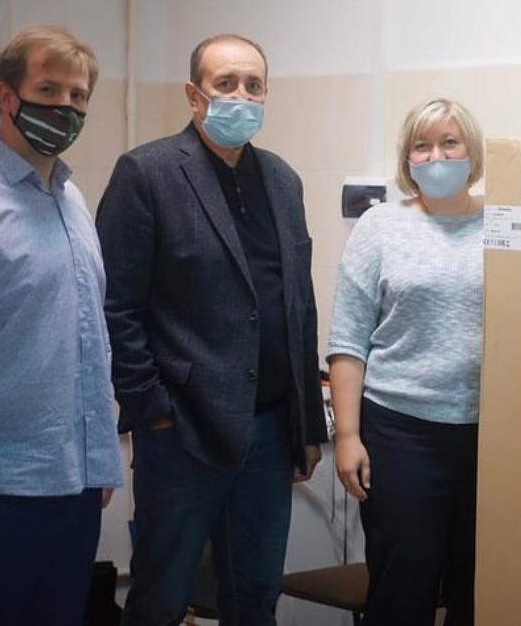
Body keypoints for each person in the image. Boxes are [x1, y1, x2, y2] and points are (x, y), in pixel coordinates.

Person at [96, 33, 327, 625]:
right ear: (193, 95)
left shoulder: (283, 180)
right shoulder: (146, 173)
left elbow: (297, 306)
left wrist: (306, 426)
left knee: (255, 598)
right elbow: (115, 308)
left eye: (253, 85)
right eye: (226, 83)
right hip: (183, 430)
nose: (241, 96)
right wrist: (153, 409)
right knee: (162, 598)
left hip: (269, 431)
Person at [0, 25, 123, 625]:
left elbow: (90, 338)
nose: (65, 107)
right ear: (6, 96)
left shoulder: (72, 200)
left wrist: (99, 459)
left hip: (74, 489)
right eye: (48, 90)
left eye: (78, 96)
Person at [329, 98, 484, 626]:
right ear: (407, 158)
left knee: (482, 587)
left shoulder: (506, 223)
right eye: (423, 145)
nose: (436, 156)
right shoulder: (380, 226)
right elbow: (348, 340)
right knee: (404, 588)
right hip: (401, 434)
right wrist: (347, 436)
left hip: (488, 434)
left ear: (472, 151)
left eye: (449, 143)